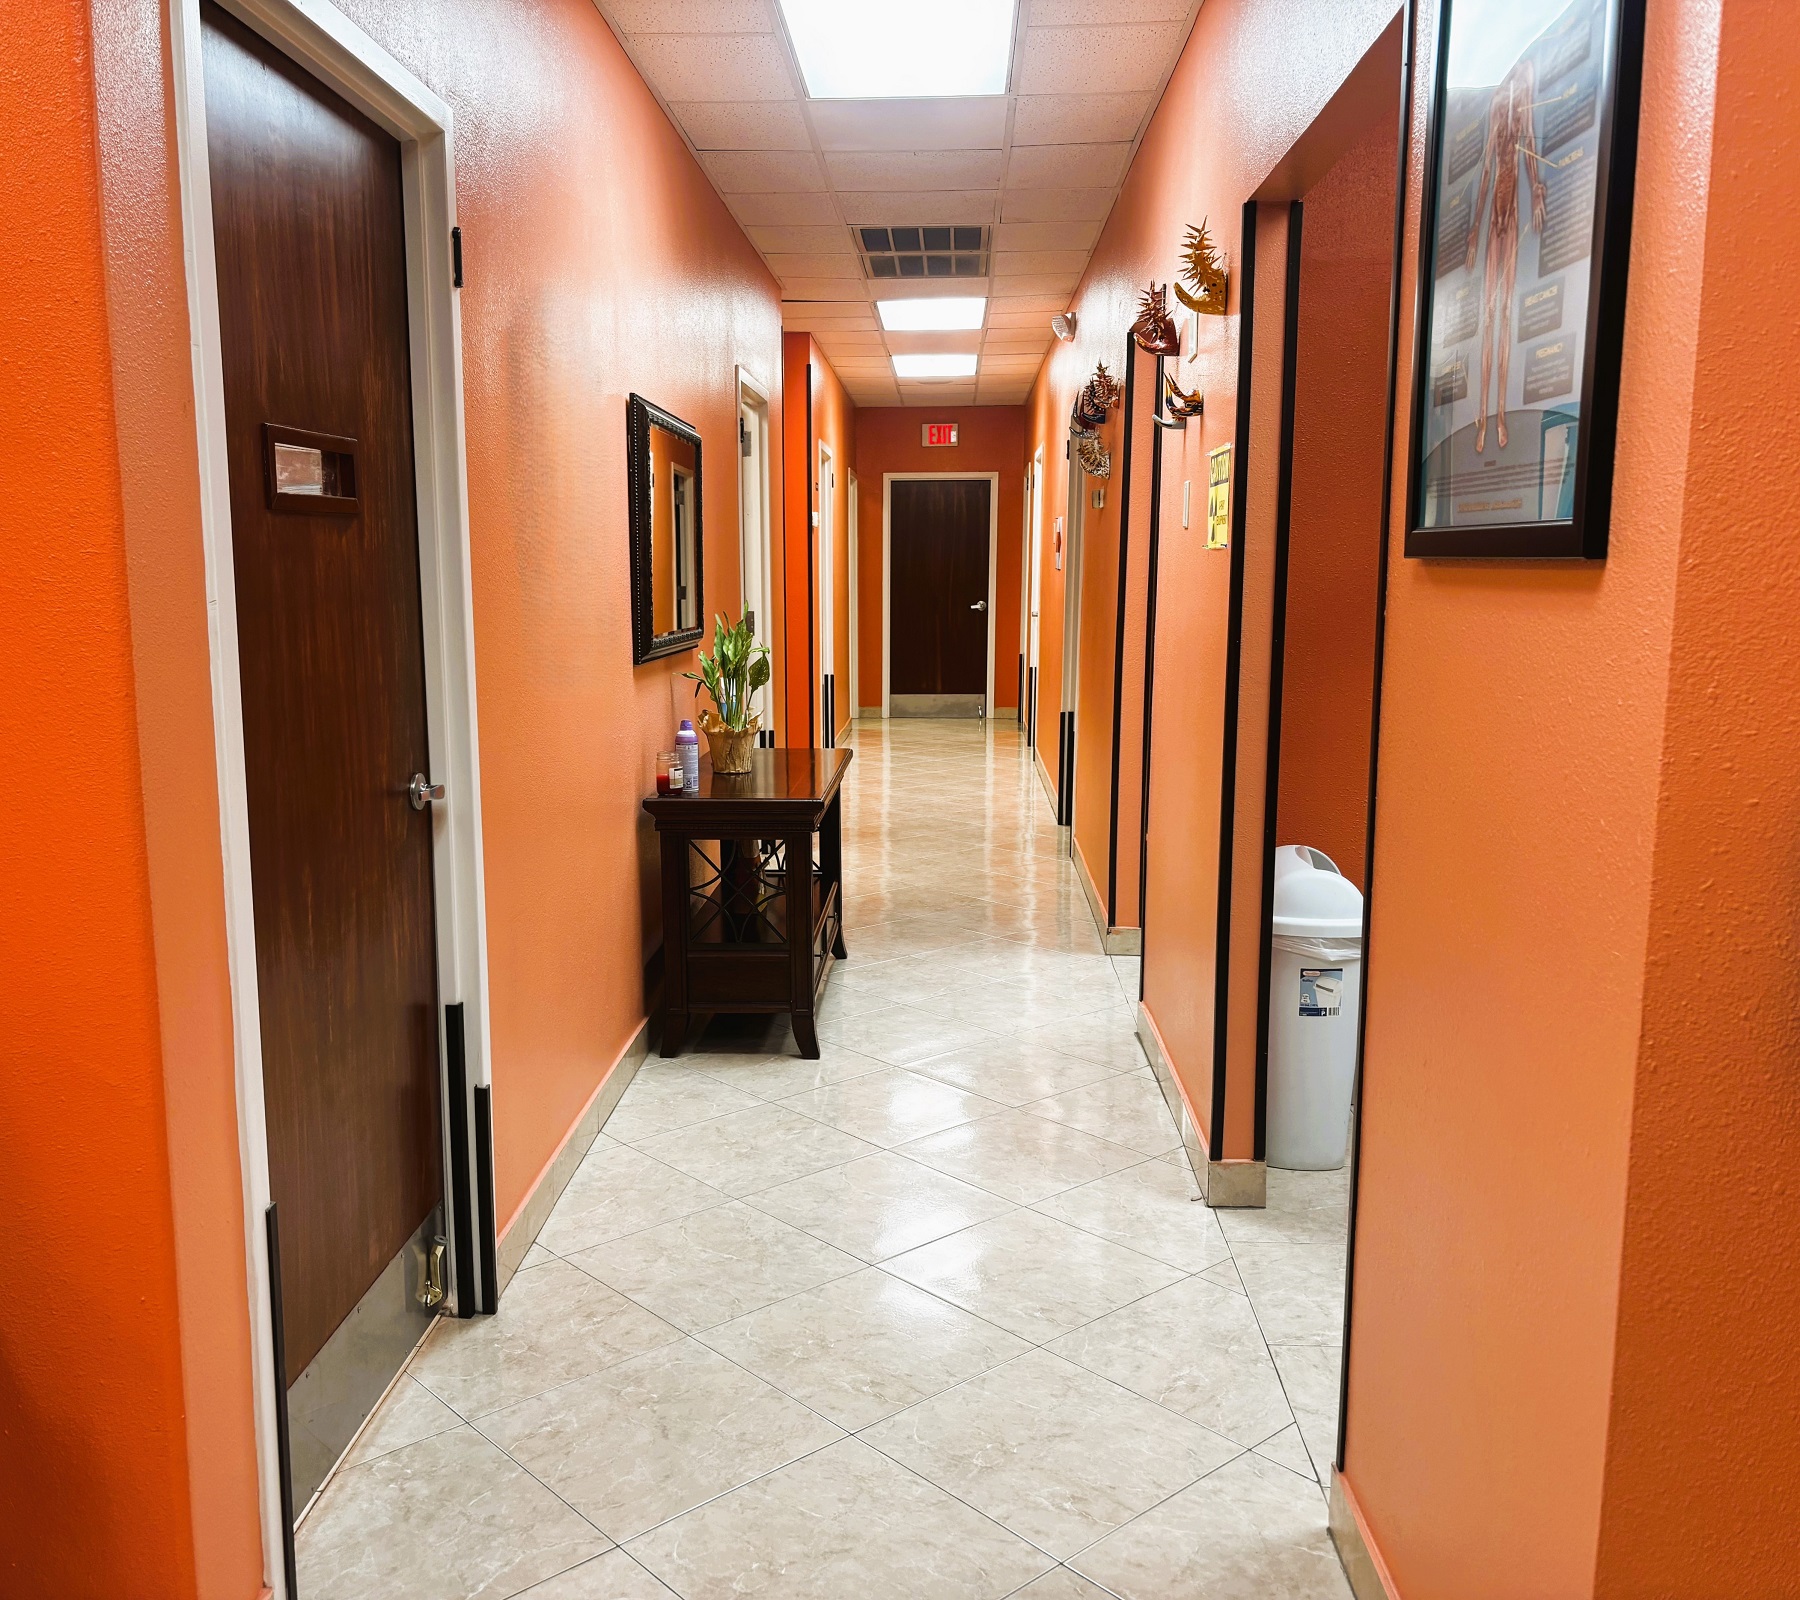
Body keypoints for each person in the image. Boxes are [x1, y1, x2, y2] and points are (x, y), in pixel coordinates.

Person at [1464, 58, 1551, 454]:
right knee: (1489, 319)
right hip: (1496, 220)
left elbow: (1530, 141)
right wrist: (1471, 234)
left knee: (1505, 316)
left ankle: (1499, 414)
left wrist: (1535, 189)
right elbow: (1486, 167)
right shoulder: (1498, 100)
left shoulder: (1525, 84)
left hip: (1511, 216)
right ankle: (1483, 416)